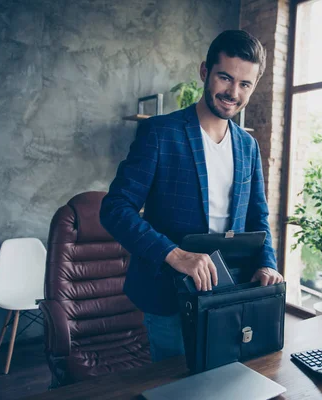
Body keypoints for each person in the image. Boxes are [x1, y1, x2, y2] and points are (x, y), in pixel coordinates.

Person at [100, 30, 284, 362]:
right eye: (225, 78)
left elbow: (258, 218)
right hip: (168, 293)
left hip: (229, 293)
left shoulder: (248, 146)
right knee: (176, 388)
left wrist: (267, 264)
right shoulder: (160, 132)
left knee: (226, 383)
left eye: (245, 84)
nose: (233, 92)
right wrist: (174, 254)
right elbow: (115, 208)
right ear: (205, 72)